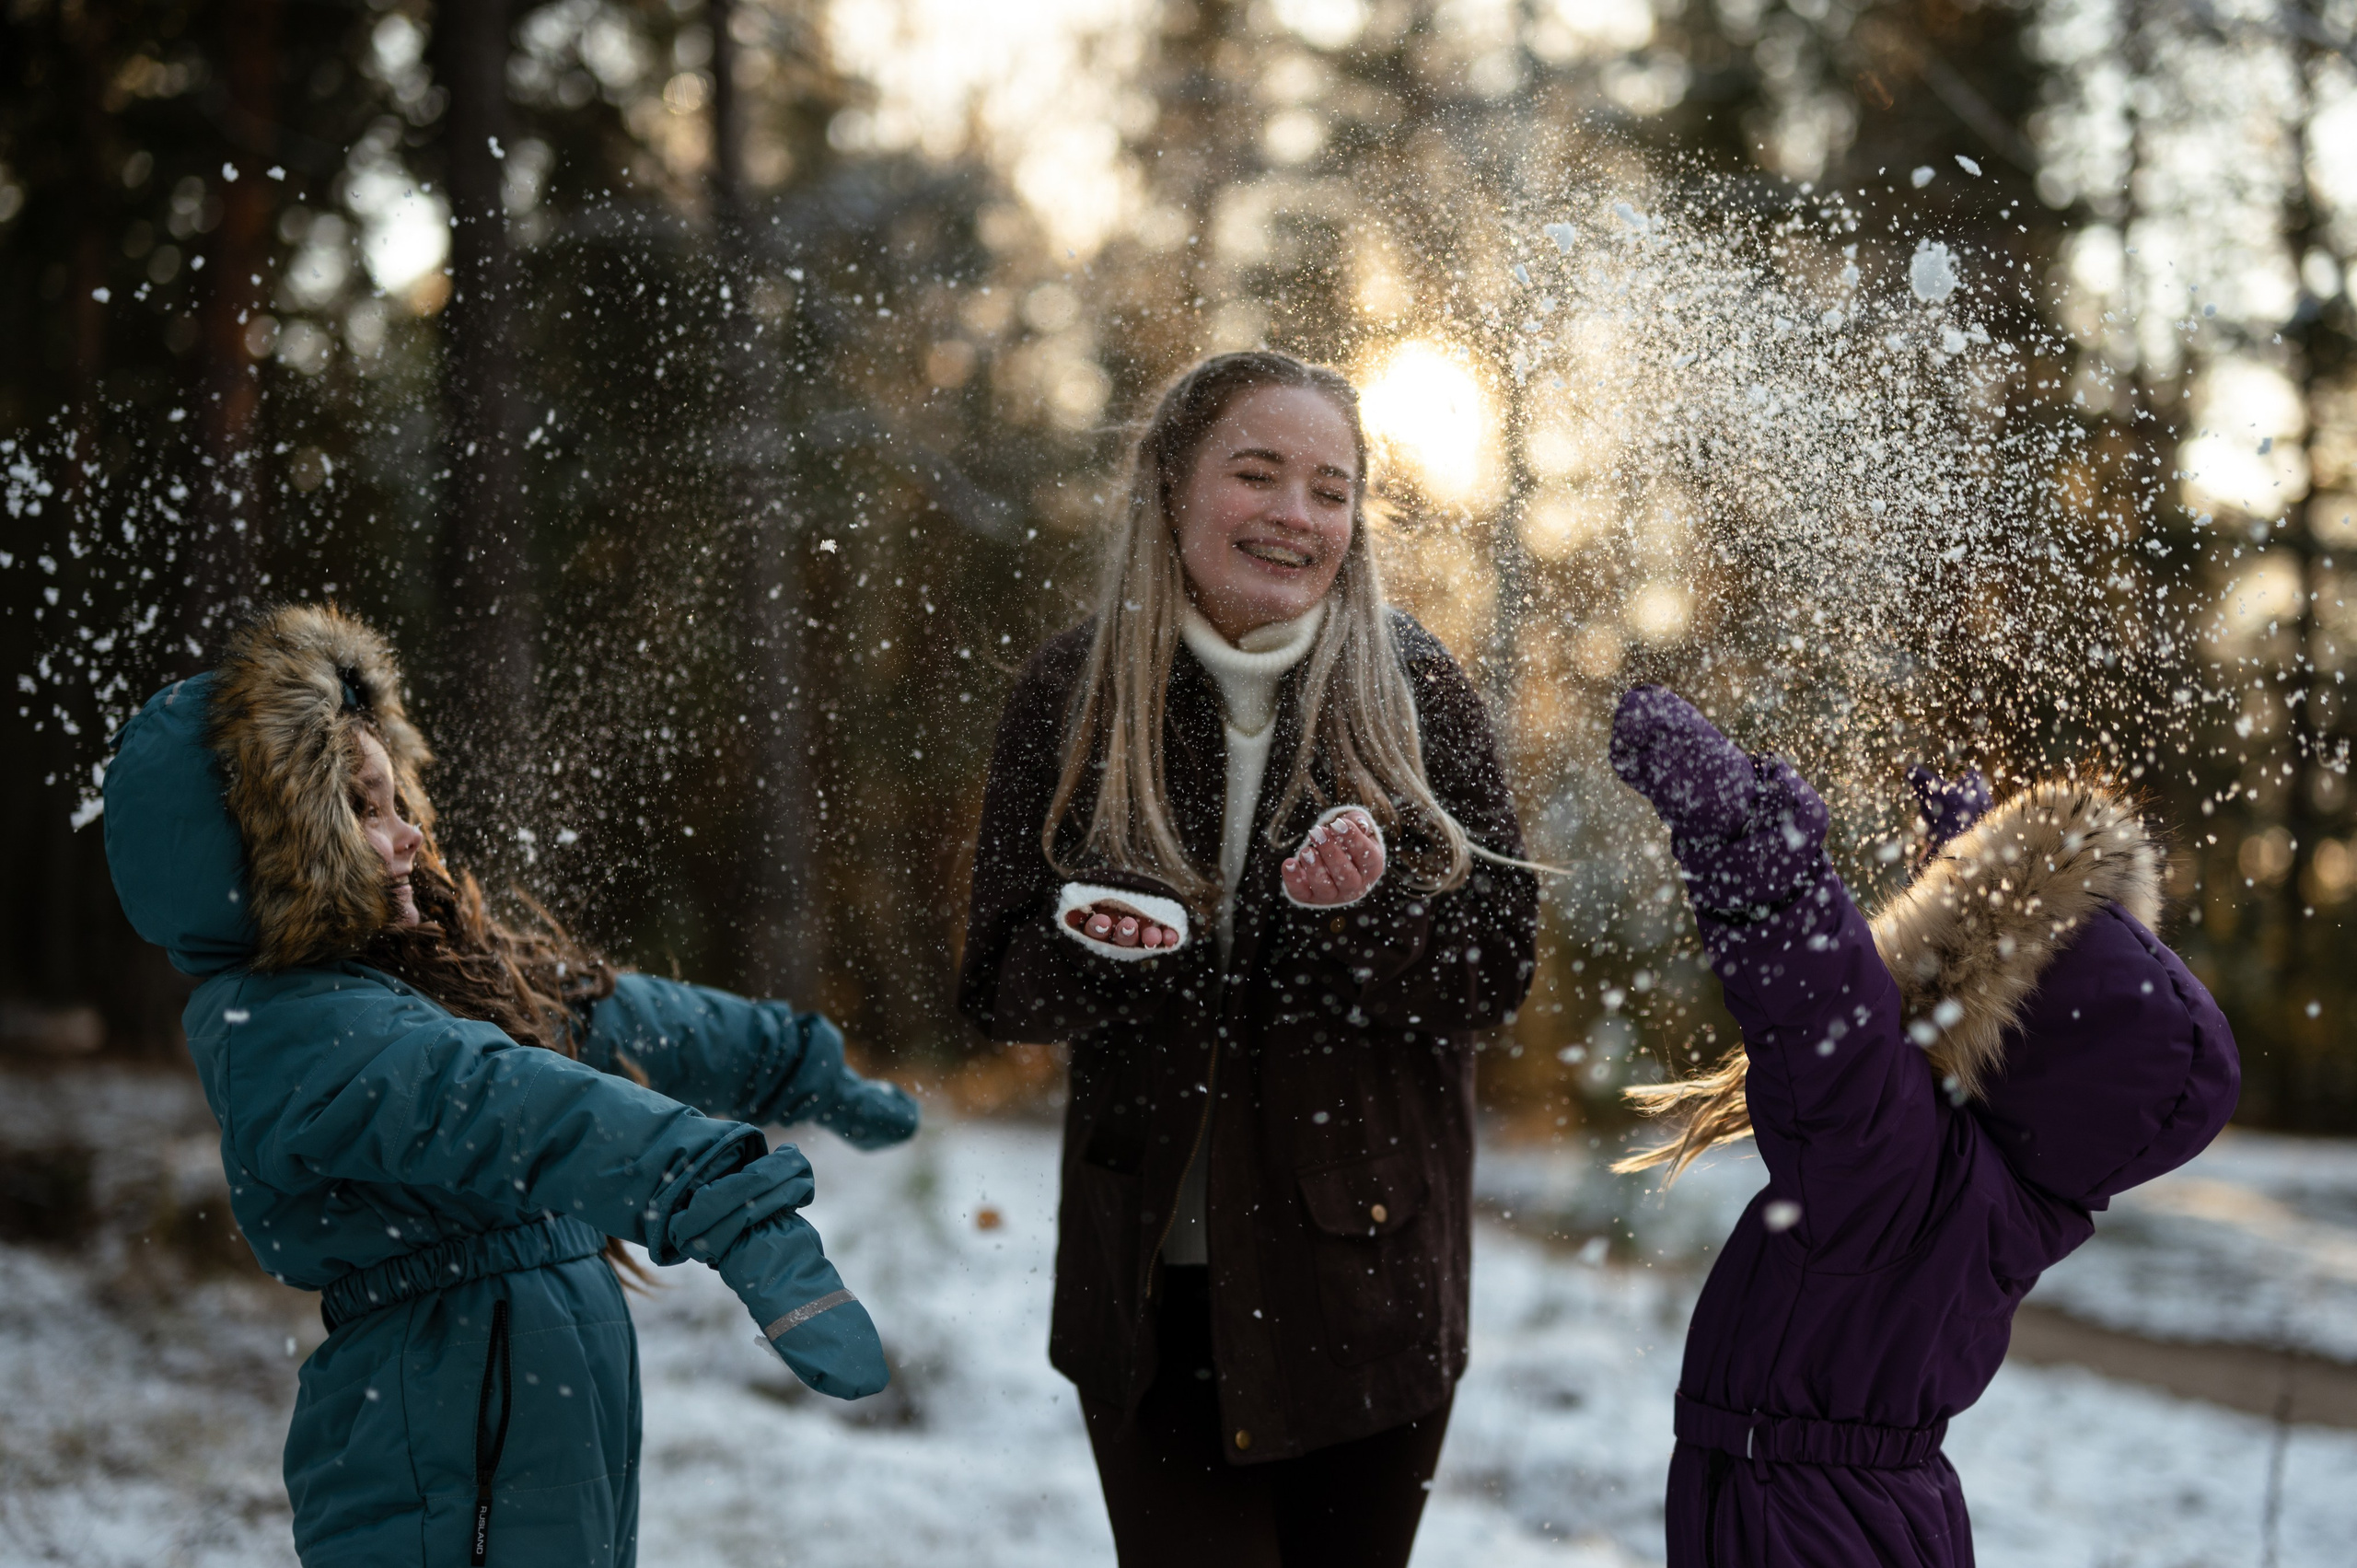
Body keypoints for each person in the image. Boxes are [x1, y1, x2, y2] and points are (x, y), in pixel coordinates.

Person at [101, 603, 919, 1568]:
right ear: (272, 859)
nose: (406, 833)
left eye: (394, 796)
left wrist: (793, 1060)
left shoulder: (419, 975)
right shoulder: (296, 1033)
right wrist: (725, 1202)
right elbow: (515, 1102)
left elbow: (607, 1017)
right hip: (447, 1439)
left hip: (513, 1412)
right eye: (359, 810)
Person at [958, 349, 1538, 1568]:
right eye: (1258, 473)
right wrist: (1114, 943)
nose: (1295, 515)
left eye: (1331, 489)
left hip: (1366, 1292)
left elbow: (1496, 969)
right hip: (1147, 1304)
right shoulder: (1075, 688)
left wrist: (1362, 919)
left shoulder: (1418, 693)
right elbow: (997, 974)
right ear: (1171, 484)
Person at [1607, 684, 2239, 1568]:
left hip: (1797, 1524)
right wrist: (1966, 880)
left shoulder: (1893, 1164)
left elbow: (1825, 1001)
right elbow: (1981, 1044)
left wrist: (1750, 833)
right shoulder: (2020, 1190)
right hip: (1877, 1510)